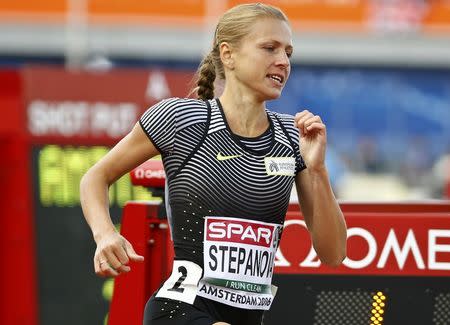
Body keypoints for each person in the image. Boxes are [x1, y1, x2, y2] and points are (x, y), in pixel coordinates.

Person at [80, 3, 347, 325]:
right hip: (180, 311)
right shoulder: (181, 119)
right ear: (228, 55)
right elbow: (95, 177)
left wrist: (317, 170)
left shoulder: (293, 137)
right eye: (269, 48)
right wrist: (105, 235)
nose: (283, 61)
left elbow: (334, 254)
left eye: (288, 52)